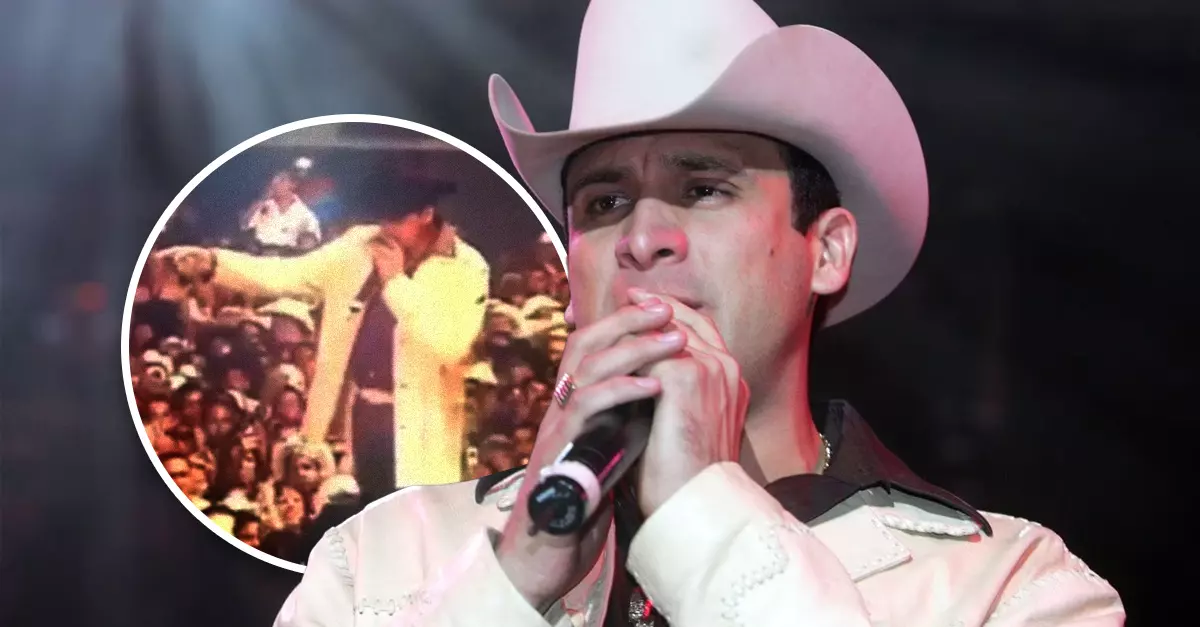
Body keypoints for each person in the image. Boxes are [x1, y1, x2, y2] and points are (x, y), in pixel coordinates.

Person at [273, 1, 1124, 625]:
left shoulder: (1007, 584)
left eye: (704, 188)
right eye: (604, 203)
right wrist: (518, 570)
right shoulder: (380, 558)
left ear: (826, 250)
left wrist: (704, 515)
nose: (643, 238)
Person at [157, 171, 490, 501]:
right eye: (382, 218)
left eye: (397, 220)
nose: (386, 229)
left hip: (423, 431)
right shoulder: (359, 244)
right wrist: (215, 263)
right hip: (357, 422)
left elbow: (451, 344)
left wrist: (395, 282)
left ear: (426, 215)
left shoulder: (467, 267)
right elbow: (287, 274)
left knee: (412, 523)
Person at [242, 171, 323, 255]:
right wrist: (262, 199)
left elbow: (313, 239)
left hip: (287, 256)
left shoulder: (304, 213)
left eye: (281, 180)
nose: (276, 184)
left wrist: (303, 246)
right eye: (274, 180)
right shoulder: (263, 207)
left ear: (293, 184)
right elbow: (245, 224)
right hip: (260, 254)